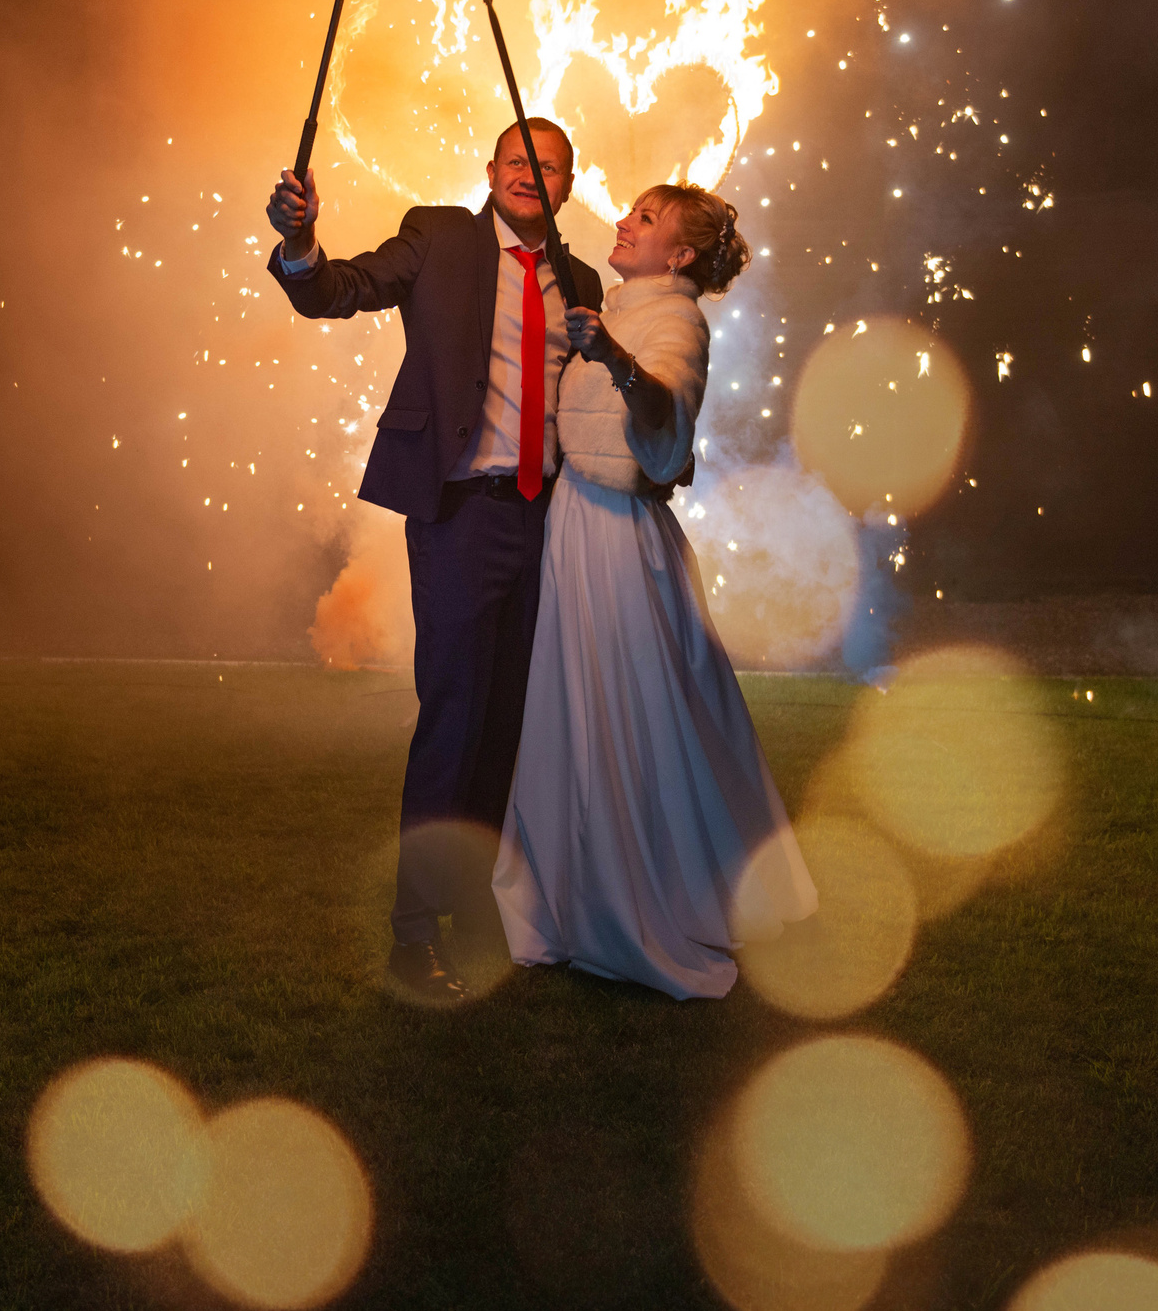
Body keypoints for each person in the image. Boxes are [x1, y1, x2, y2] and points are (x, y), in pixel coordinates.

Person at [265, 120, 605, 1004]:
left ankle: (478, 906)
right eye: (518, 159)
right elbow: (336, 289)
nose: (533, 173)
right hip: (462, 515)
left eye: (552, 165)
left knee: (511, 726)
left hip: (550, 524)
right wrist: (300, 242)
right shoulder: (442, 235)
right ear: (491, 171)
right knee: (455, 719)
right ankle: (412, 937)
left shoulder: (581, 278)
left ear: (570, 185)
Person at [492, 183, 818, 1000]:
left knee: (628, 711)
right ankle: (575, 887)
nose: (623, 221)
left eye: (645, 218)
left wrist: (616, 361)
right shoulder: (617, 303)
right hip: (579, 522)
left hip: (616, 539)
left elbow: (667, 402)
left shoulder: (676, 320)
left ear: (678, 256)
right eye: (630, 210)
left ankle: (641, 894)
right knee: (580, 709)